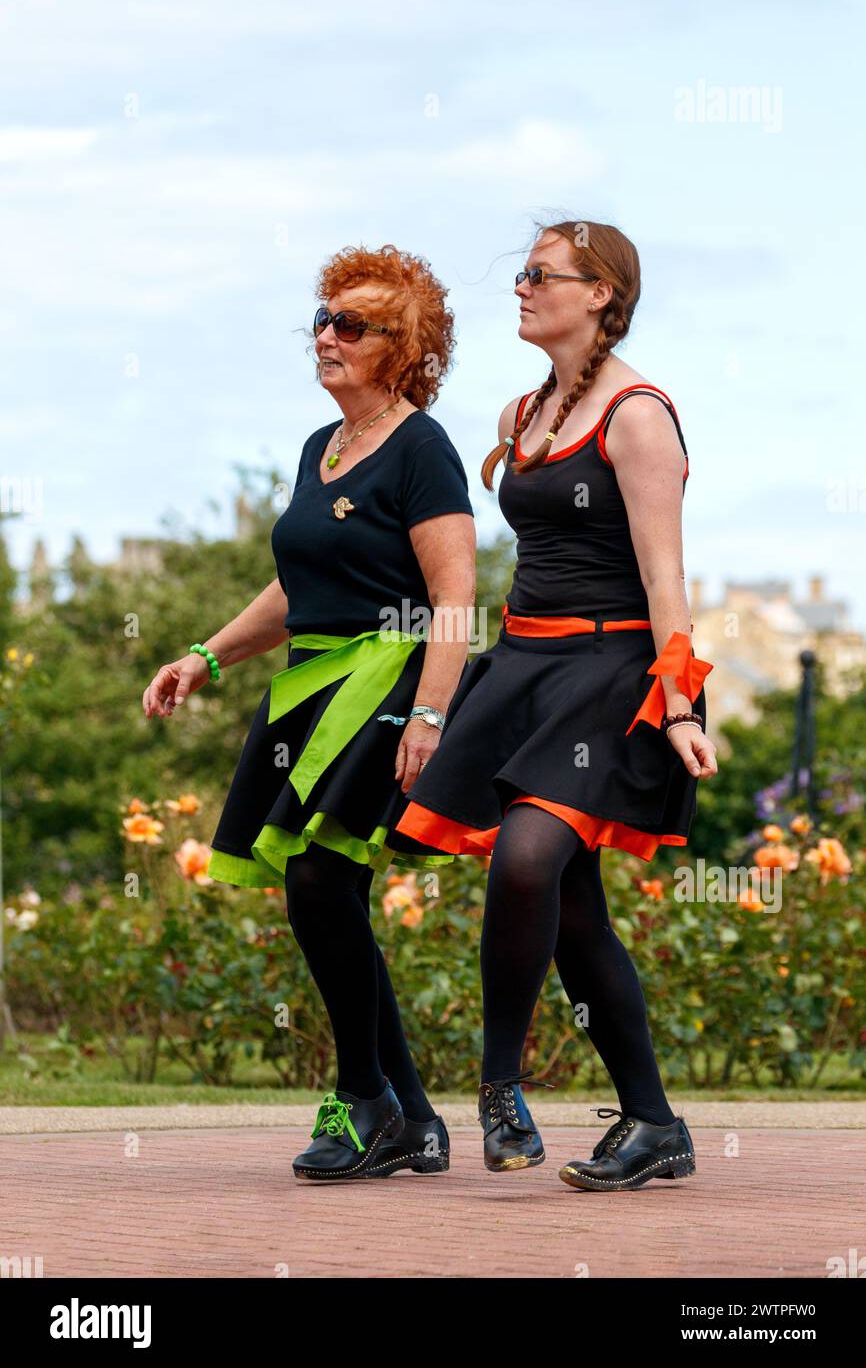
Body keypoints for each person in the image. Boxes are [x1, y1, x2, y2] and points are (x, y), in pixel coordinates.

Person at [396, 218, 718, 1191]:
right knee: (573, 911)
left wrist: (676, 703)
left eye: (542, 275)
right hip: (525, 667)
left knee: (532, 856)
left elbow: (665, 575)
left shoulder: (636, 415)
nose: (522, 287)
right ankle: (653, 1124)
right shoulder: (517, 414)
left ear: (600, 296)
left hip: (608, 671)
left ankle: (497, 1083)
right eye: (522, 273)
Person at [143, 243, 476, 1181]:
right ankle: (406, 1114)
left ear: (401, 347)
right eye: (322, 321)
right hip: (309, 687)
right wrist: (205, 655)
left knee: (323, 882)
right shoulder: (317, 448)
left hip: (390, 684)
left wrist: (431, 717)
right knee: (327, 892)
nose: (326, 338)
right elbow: (298, 587)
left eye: (352, 326)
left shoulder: (422, 448)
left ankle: (368, 1099)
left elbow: (455, 595)